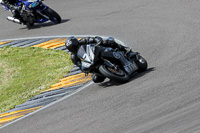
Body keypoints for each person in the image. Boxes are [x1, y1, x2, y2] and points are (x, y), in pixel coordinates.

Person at [65, 36, 133, 83]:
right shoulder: (73, 57)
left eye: (74, 46)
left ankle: (124, 49)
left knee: (109, 41)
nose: (74, 48)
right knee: (96, 79)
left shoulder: (83, 41)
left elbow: (95, 38)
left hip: (97, 50)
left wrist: (98, 41)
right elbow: (80, 66)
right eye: (71, 48)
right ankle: (111, 72)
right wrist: (85, 69)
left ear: (77, 42)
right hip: (91, 62)